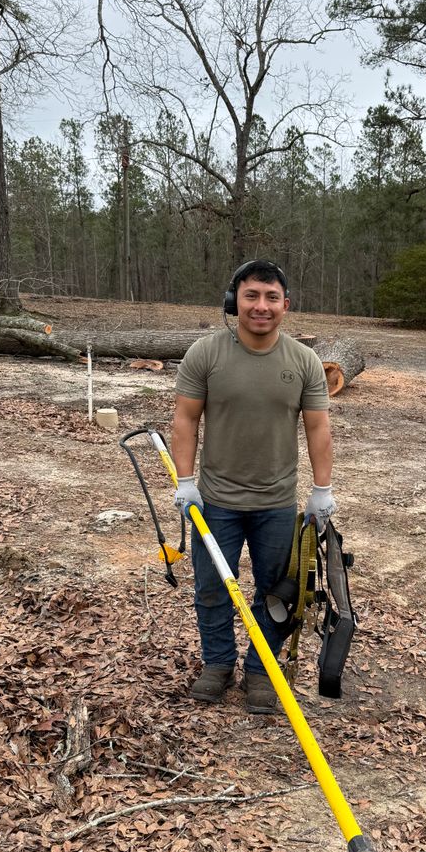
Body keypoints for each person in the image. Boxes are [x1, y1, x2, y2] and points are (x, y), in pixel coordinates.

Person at [170, 259, 336, 714]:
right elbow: (185, 419)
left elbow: (318, 428)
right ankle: (217, 665)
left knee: (276, 593)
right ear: (234, 301)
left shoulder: (303, 362)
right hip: (215, 501)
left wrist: (322, 490)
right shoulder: (205, 354)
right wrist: (186, 482)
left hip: (276, 504)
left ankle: (262, 670)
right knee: (211, 587)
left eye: (270, 297)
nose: (261, 306)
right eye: (251, 296)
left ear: (286, 305)